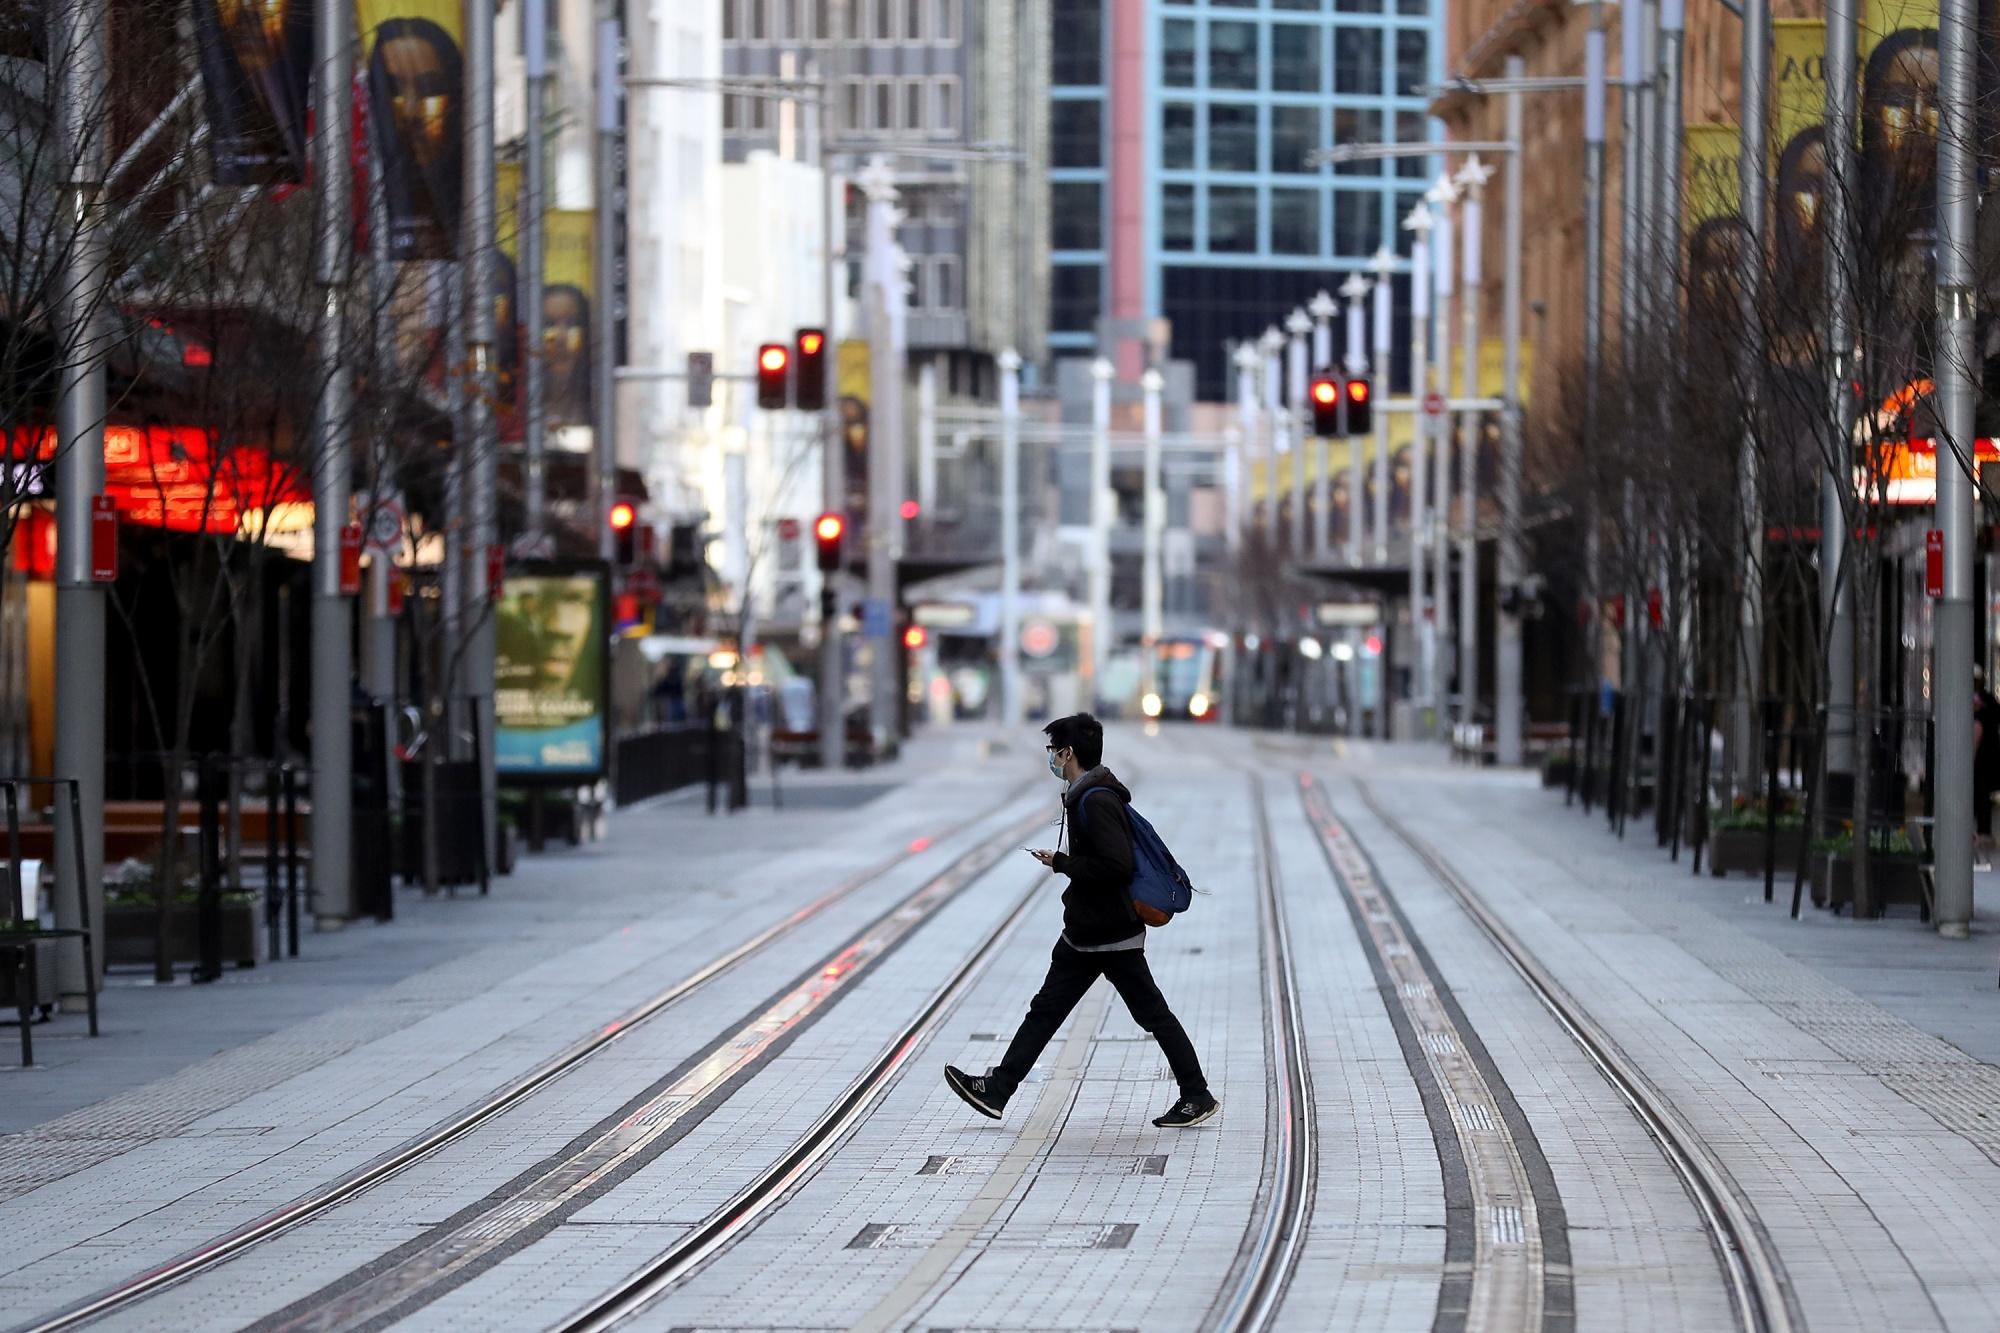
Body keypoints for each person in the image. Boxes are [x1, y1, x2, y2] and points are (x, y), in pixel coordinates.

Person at [944, 713, 1218, 1129]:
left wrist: (1062, 863)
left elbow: (1116, 865)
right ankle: (998, 1089)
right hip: (1088, 933)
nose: (1051, 757)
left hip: (1107, 933)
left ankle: (1197, 1094)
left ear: (1068, 753)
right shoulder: (1087, 793)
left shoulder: (1096, 800)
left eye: (1054, 750)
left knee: (1151, 1014)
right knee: (1047, 1011)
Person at [1975, 668, 2000, 868]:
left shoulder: (1986, 702)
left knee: (1981, 794)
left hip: (1984, 755)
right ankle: (1981, 830)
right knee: (1979, 794)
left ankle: (1983, 831)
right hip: (1983, 754)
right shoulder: (1987, 701)